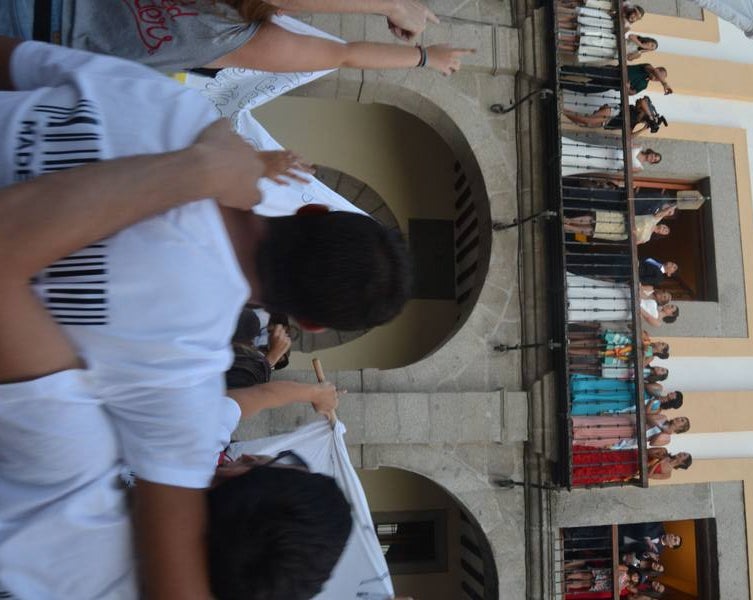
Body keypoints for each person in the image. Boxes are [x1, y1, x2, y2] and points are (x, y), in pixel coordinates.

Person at [0, 38, 410, 599]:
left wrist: (203, 163)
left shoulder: (181, 115)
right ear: (310, 322)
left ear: (312, 208)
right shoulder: (183, 373)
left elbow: (17, 62)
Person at [0, 0, 475, 76]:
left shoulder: (239, 36)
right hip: (31, 48)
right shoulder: (236, 37)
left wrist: (421, 58)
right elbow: (346, 55)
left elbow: (344, 55)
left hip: (29, 47)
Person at [562, 201, 674, 244]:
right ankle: (569, 220)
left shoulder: (647, 238)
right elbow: (664, 212)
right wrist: (676, 204)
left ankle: (568, 227)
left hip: (620, 233)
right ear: (663, 224)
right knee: (594, 220)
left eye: (665, 232)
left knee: (592, 230)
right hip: (622, 219)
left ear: (660, 234)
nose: (664, 229)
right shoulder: (655, 219)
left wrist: (634, 233)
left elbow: (634, 242)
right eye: (665, 228)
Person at [561, 63, 673, 96]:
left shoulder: (644, 84)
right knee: (587, 72)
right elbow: (654, 71)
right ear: (657, 69)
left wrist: (628, 89)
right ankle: (563, 70)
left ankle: (562, 84)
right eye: (660, 76)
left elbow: (632, 93)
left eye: (659, 79)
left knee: (586, 89)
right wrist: (664, 83)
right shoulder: (648, 67)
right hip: (613, 73)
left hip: (613, 85)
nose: (657, 78)